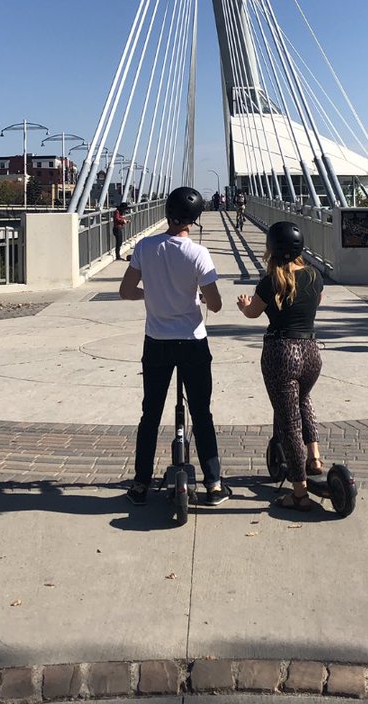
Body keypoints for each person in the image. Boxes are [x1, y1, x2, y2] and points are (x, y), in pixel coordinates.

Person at [119, 186, 231, 506]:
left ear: (167, 212)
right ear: (195, 221)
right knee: (201, 413)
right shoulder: (198, 254)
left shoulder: (144, 247)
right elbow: (217, 304)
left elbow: (127, 291)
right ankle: (213, 484)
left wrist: (152, 294)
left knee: (150, 413)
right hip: (193, 343)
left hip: (156, 343)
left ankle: (141, 483)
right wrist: (195, 296)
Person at [237, 221, 324, 511]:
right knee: (304, 400)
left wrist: (244, 305)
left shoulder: (270, 281)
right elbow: (313, 304)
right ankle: (314, 457)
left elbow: (252, 313)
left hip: (281, 353)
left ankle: (299, 494)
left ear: (271, 249)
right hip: (311, 352)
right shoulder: (315, 276)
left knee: (289, 423)